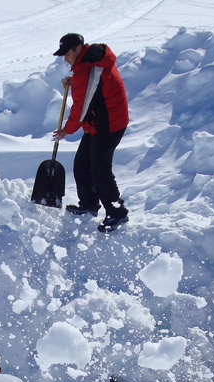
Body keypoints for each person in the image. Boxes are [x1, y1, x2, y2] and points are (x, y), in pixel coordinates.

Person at [52, 33, 129, 233]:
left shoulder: (91, 68)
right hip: (97, 123)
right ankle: (89, 205)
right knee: (82, 164)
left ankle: (117, 212)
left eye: (67, 54)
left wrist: (66, 130)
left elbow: (82, 108)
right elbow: (91, 85)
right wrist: (74, 78)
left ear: (78, 48)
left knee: (100, 170)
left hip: (109, 124)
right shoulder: (89, 63)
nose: (65, 59)